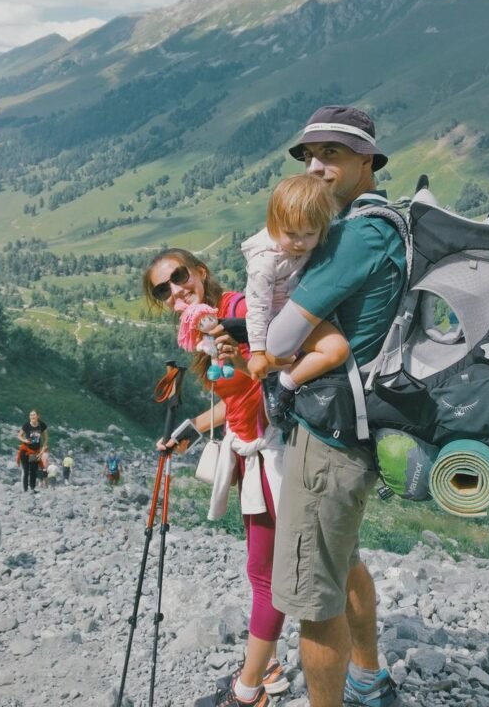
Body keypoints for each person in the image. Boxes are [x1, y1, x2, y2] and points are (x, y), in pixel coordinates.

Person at [265, 106, 408, 707]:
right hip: (355, 426)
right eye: (309, 156)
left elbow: (277, 341)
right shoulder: (377, 221)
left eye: (334, 155)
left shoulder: (357, 233)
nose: (318, 167)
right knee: (342, 561)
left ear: (368, 160)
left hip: (328, 437)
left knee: (312, 597)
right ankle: (369, 680)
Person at [142, 249, 289, 707]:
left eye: (179, 277)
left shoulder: (240, 312)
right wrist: (188, 432)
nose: (175, 291)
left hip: (274, 454)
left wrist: (236, 352)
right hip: (250, 456)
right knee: (265, 569)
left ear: (201, 273)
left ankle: (249, 694)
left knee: (266, 575)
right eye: (163, 290)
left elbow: (279, 371)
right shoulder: (204, 330)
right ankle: (270, 666)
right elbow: (235, 401)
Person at [241, 174, 350, 422]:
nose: (300, 243)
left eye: (309, 234)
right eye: (291, 234)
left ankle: (285, 377)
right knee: (337, 350)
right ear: (273, 226)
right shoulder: (264, 264)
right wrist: (257, 352)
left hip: (299, 314)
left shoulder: (313, 238)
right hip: (276, 322)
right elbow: (257, 307)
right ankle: (284, 384)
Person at [16, 409, 48, 494]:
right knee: (26, 470)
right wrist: (25, 440)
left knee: (34, 470)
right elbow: (19, 436)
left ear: (38, 416)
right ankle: (25, 489)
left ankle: (32, 488)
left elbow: (46, 439)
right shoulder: (26, 425)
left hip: (35, 451)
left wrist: (41, 452)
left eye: (34, 415)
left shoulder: (42, 425)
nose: (32, 417)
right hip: (25, 450)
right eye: (30, 415)